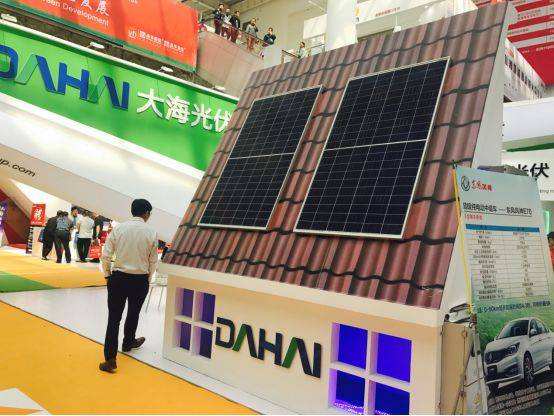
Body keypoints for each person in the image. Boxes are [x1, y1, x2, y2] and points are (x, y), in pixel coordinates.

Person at [99, 199, 158, 373]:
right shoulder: (152, 232)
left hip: (118, 278)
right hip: (140, 279)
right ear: (146, 213)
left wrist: (107, 275)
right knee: (134, 313)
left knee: (114, 319)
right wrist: (147, 279)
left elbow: (106, 255)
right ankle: (128, 342)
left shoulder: (119, 229)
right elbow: (153, 261)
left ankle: (110, 359)